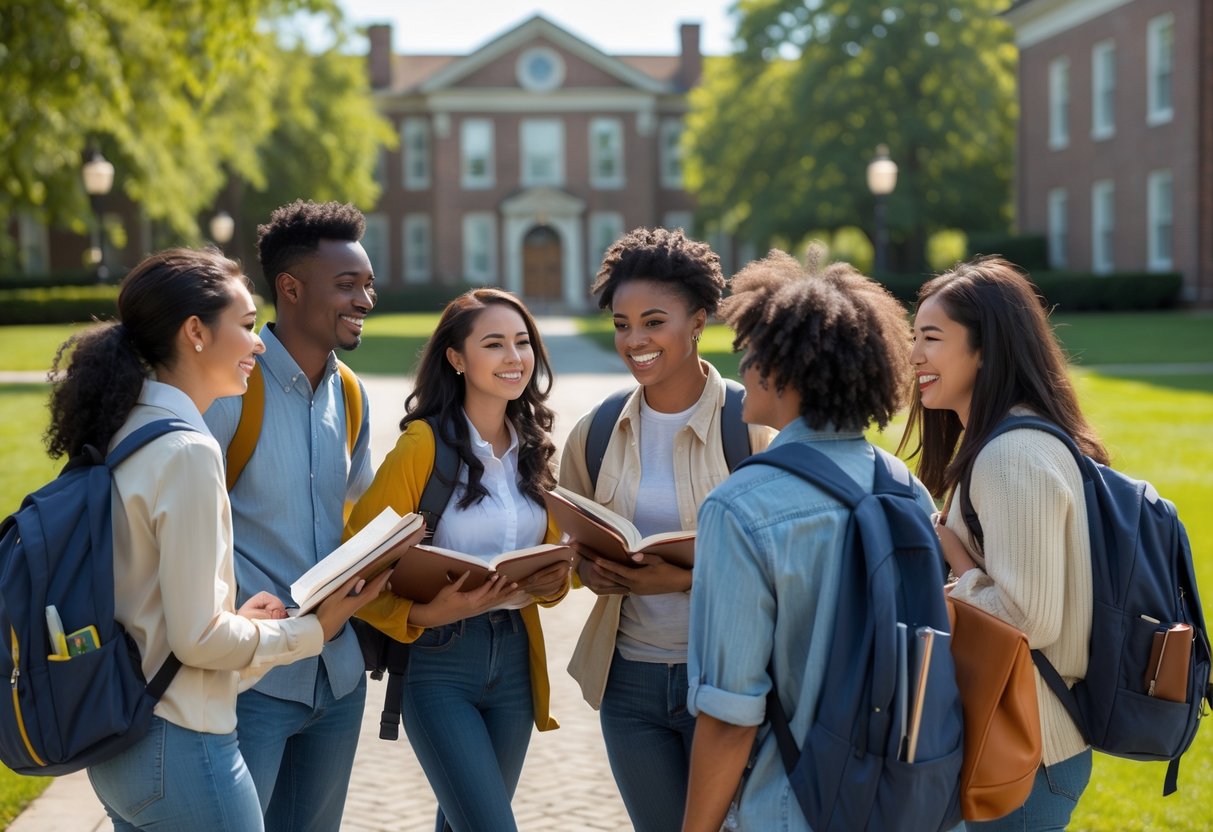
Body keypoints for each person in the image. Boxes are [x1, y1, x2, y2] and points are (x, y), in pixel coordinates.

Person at [43, 248, 387, 831]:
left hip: (122, 742)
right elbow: (200, 640)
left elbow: (163, 614)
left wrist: (245, 622)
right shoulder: (189, 450)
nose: (258, 344)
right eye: (248, 326)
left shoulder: (131, 428)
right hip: (186, 748)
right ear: (196, 332)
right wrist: (313, 630)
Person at [683, 248, 934, 832]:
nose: (741, 367)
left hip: (791, 804)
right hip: (899, 800)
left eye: (750, 351)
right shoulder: (906, 490)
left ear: (785, 369)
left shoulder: (740, 507)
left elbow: (730, 715)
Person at [558, 227, 773, 832]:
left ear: (699, 319)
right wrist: (587, 568)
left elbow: (785, 559)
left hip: (730, 684)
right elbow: (567, 539)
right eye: (622, 325)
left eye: (654, 322)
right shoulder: (595, 431)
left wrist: (674, 578)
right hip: (629, 685)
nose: (635, 341)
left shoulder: (749, 424)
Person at [346, 288, 571, 832]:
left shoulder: (535, 448)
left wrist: (555, 578)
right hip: (440, 660)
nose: (514, 358)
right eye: (493, 344)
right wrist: (420, 616)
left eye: (522, 343)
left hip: (516, 656)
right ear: (456, 358)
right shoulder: (423, 445)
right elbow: (354, 565)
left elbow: (555, 575)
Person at [900, 256, 1097, 830]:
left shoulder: (1010, 456)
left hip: (1026, 747)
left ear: (986, 348)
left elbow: (1029, 617)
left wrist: (950, 575)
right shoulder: (1001, 439)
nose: (914, 356)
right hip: (1012, 734)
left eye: (931, 338)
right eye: (915, 337)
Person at [203, 200, 377, 831]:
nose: (365, 298)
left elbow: (356, 525)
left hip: (336, 682)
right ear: (291, 289)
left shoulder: (352, 395)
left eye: (367, 284)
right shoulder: (227, 390)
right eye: (347, 285)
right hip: (250, 685)